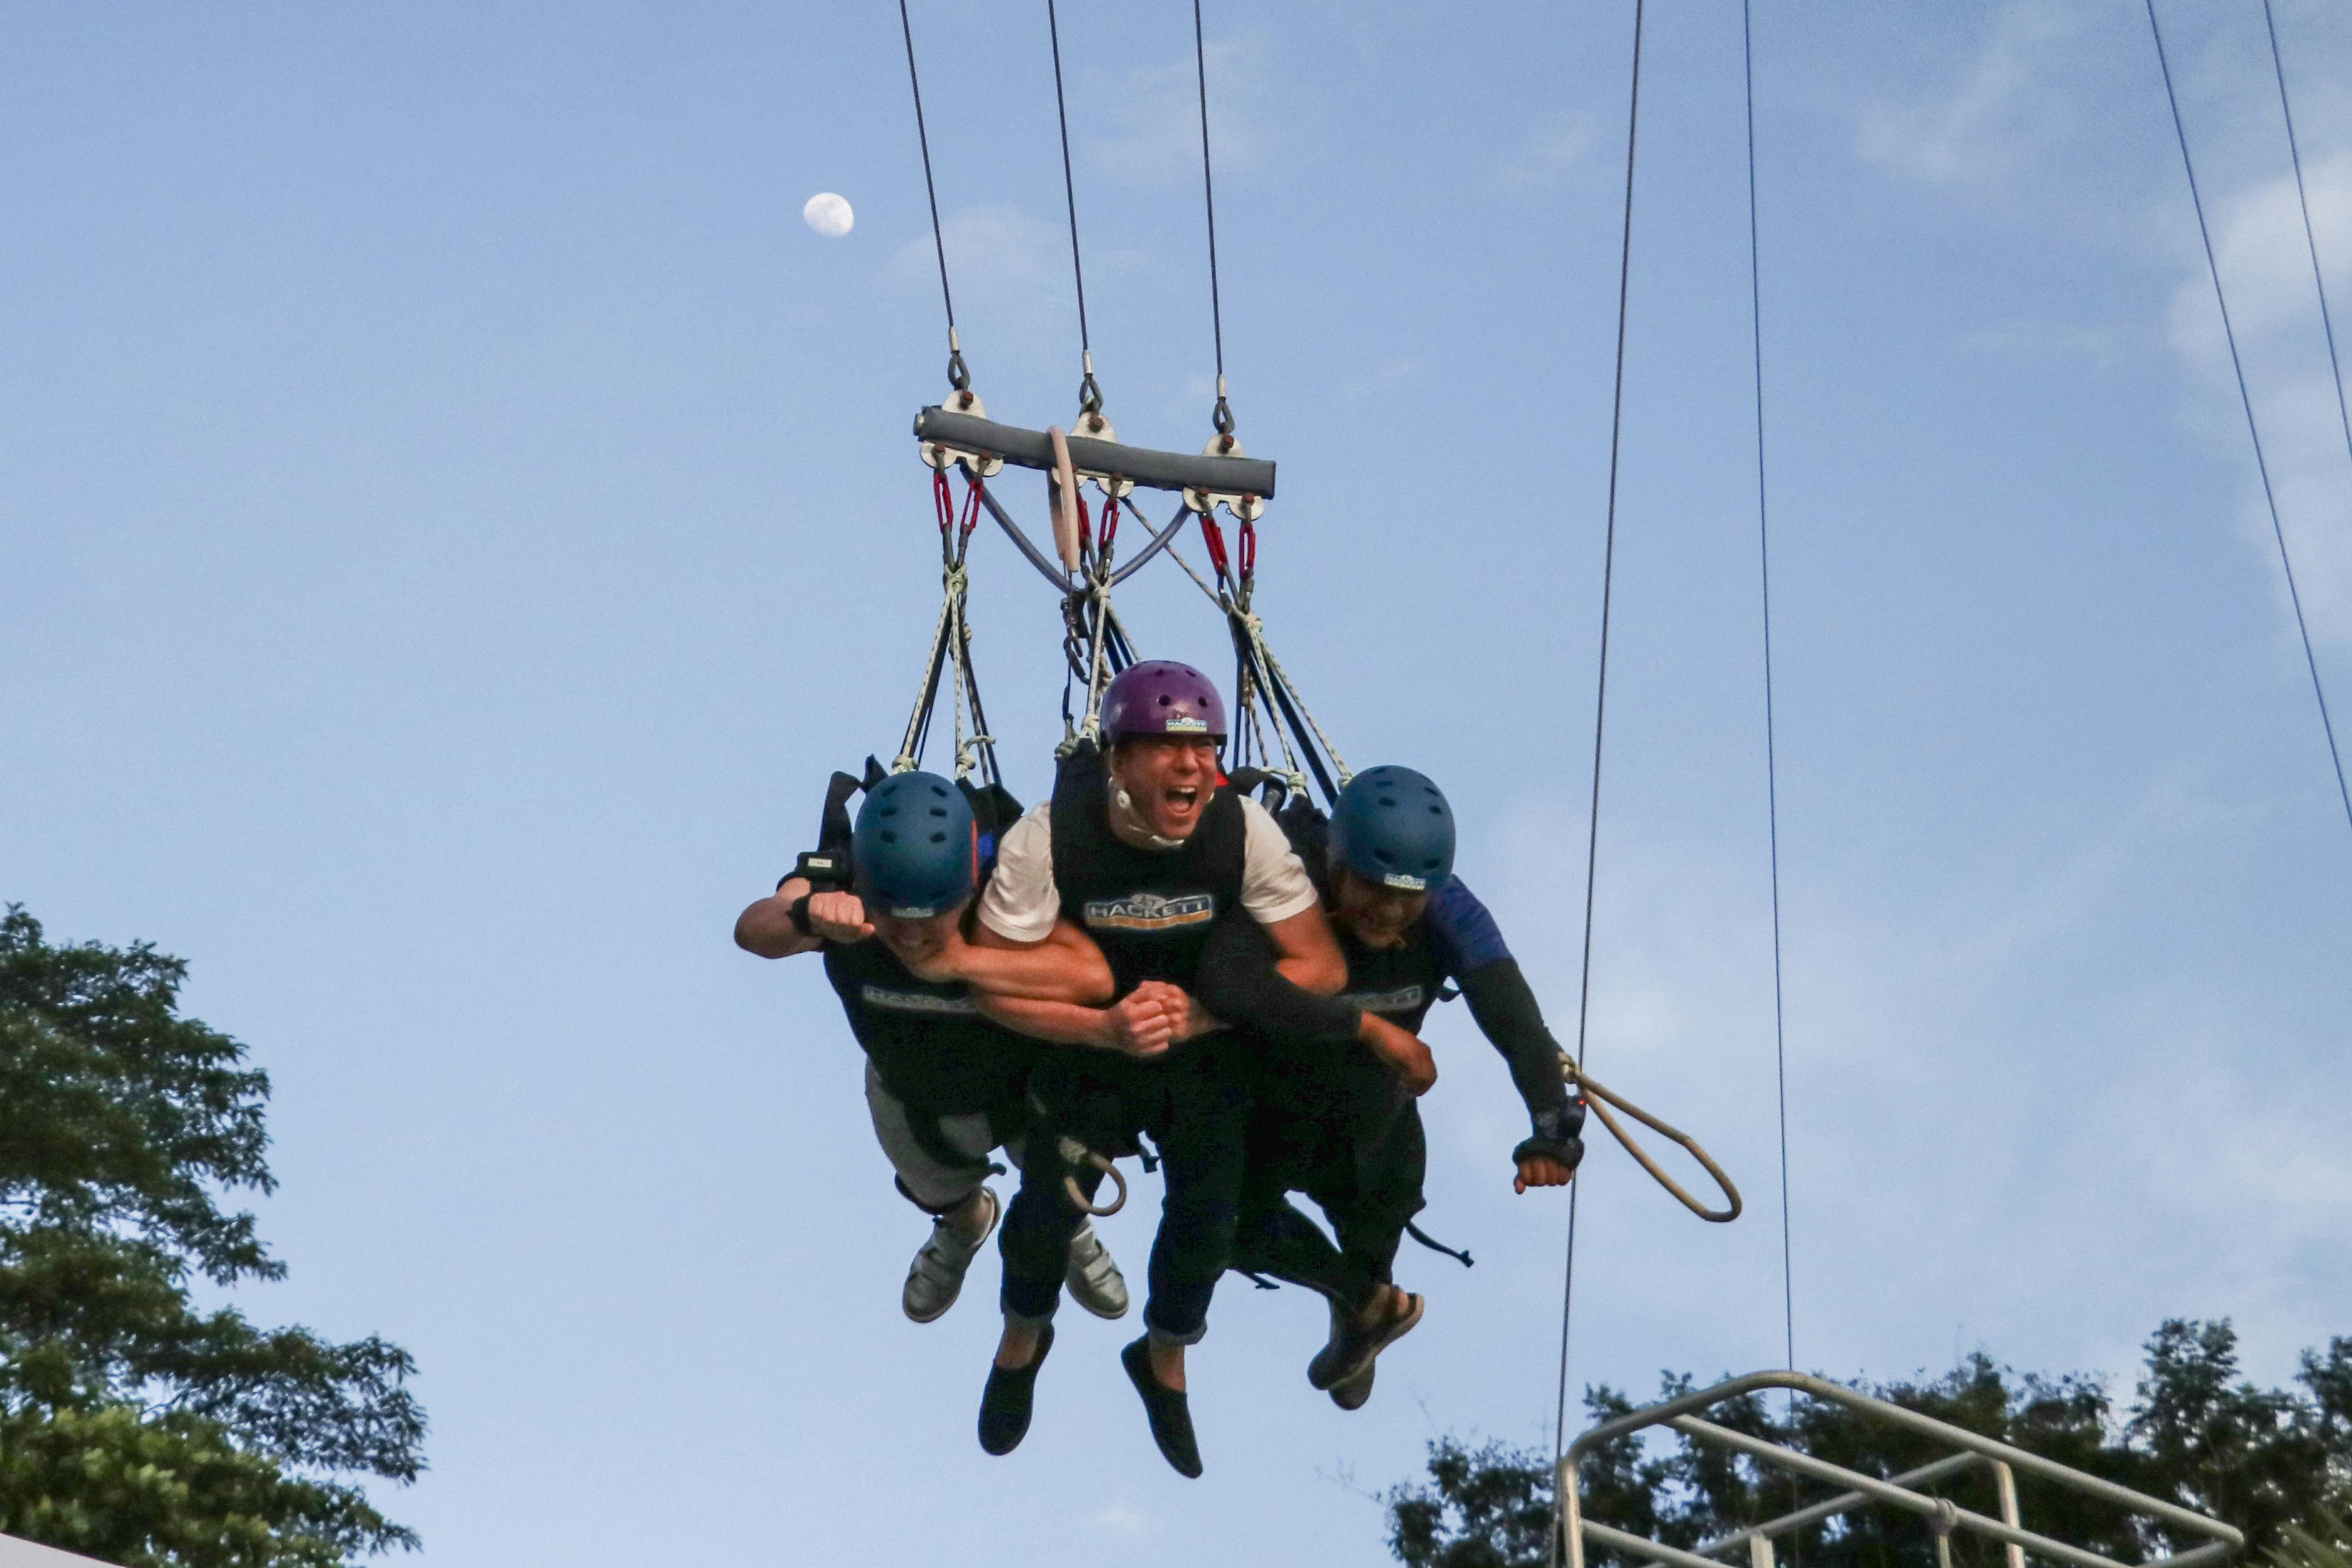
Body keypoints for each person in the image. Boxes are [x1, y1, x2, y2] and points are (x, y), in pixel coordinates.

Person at [954, 660, 1347, 1478]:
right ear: (1118, 759)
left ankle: (1163, 1356)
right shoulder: (1048, 836)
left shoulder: (1242, 829)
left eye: (1205, 747)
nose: (1192, 764)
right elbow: (990, 986)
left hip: (1202, 1043)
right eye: (1169, 747)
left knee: (1207, 1220)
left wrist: (1203, 1013)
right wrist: (1103, 1028)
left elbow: (1319, 965)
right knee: (1043, 1211)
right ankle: (1021, 1335)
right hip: (1091, 1043)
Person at [1195, 765, 1587, 1409]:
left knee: (1379, 1214)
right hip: (1265, 1104)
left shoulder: (1450, 909)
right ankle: (1361, 1300)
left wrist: (1552, 1129)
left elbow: (1515, 1021)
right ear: (1335, 863)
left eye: (1409, 897)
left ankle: (1364, 1307)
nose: (1391, 910)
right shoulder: (1286, 875)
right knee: (1218, 1221)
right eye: (1374, 889)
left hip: (1371, 1124)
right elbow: (1227, 984)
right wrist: (1369, 1027)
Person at [733, 769, 1131, 1326]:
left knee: (1057, 1186)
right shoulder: (843, 882)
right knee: (934, 1183)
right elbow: (753, 930)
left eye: (933, 917)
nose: (914, 937)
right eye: (895, 920)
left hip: (1029, 1085)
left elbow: (1092, 975)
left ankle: (1068, 1228)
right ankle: (965, 1223)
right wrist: (807, 914)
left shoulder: (1013, 881)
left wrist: (961, 962)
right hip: (912, 1091)